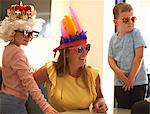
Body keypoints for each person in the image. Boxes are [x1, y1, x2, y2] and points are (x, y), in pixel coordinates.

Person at [33, 7, 108, 113]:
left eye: (87, 48)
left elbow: (99, 98)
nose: (85, 53)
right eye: (80, 49)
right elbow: (28, 84)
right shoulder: (51, 70)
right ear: (67, 53)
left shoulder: (93, 75)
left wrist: (100, 103)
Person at [0, 2, 58, 114]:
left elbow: (16, 75)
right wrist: (46, 107)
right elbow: (29, 83)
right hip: (14, 104)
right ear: (12, 31)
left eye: (32, 33)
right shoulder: (17, 52)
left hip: (6, 100)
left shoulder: (8, 49)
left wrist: (30, 70)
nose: (29, 37)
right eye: (25, 32)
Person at [108, 3, 148, 109]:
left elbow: (139, 56)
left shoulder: (136, 33)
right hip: (120, 83)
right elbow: (110, 58)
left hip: (137, 82)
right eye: (126, 20)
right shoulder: (113, 39)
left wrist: (131, 78)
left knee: (137, 108)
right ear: (116, 22)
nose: (130, 22)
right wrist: (118, 71)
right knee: (122, 108)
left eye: (132, 19)